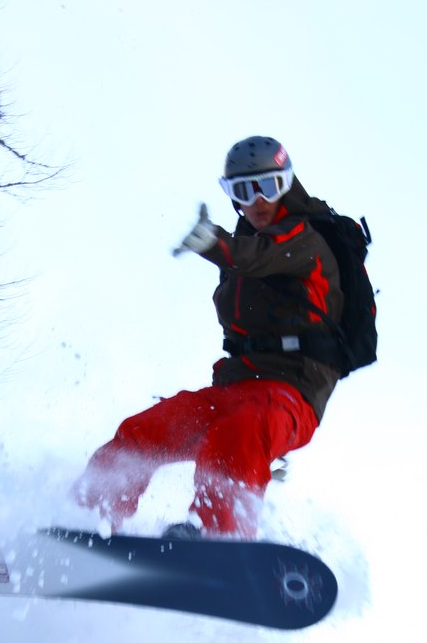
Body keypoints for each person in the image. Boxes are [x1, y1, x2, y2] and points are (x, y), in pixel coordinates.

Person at [72, 135, 347, 540]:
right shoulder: (243, 257)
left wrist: (214, 242)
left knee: (237, 431)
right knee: (144, 432)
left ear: (286, 184)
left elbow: (258, 256)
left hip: (291, 395)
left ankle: (219, 534)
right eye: (243, 191)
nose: (256, 201)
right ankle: (84, 514)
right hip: (235, 389)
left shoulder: (305, 240)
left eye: (267, 187)